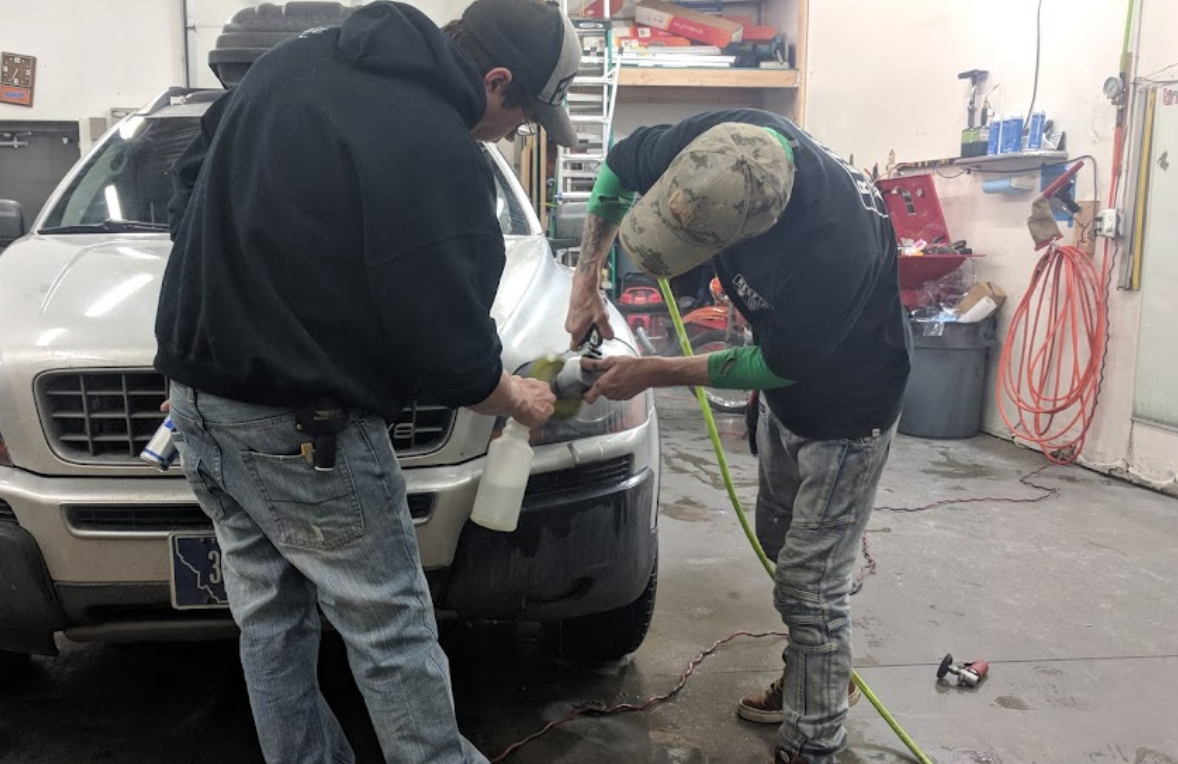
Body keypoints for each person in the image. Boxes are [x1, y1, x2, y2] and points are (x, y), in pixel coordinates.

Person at [154, 2, 580, 763]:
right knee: (391, 628)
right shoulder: (436, 149)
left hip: (199, 405)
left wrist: (214, 332)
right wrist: (515, 394)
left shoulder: (297, 61)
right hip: (303, 431)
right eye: (524, 116)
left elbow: (191, 178)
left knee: (271, 620)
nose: (516, 134)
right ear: (496, 79)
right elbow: (447, 348)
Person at [564, 111, 911, 764]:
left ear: (758, 228)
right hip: (785, 397)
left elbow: (778, 363)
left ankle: (814, 743)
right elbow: (615, 169)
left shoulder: (837, 248)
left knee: (810, 586)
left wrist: (652, 372)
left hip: (848, 411)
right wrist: (587, 280)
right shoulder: (715, 141)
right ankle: (820, 670)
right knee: (781, 542)